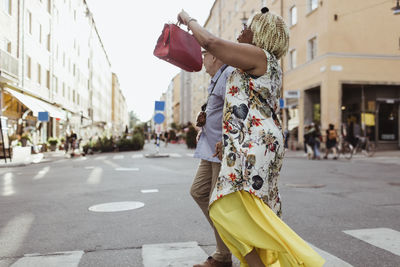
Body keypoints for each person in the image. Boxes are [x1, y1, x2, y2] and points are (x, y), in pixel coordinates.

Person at [178, 7, 325, 267]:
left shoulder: (260, 56)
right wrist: (229, 138)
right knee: (241, 211)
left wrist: (189, 20)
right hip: (250, 139)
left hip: (257, 142)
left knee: (229, 208)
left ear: (261, 32)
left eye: (251, 26)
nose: (244, 30)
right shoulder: (259, 61)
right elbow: (249, 103)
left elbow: (211, 42)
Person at [191, 49, 235, 267]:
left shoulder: (228, 75)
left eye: (205, 55)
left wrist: (227, 139)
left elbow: (236, 110)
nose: (202, 59)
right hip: (209, 147)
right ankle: (227, 247)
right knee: (198, 191)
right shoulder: (216, 79)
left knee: (217, 204)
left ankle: (223, 254)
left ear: (216, 56)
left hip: (221, 149)